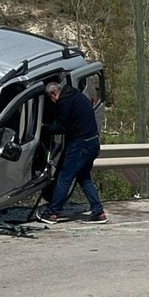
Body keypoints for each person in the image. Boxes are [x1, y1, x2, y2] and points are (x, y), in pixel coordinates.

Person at [36, 82, 107, 224]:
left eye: (51, 99)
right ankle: (98, 211)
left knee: (64, 178)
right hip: (92, 142)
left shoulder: (64, 102)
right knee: (84, 178)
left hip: (80, 145)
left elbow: (62, 127)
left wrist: (43, 128)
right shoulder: (78, 96)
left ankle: (52, 213)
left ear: (53, 94)